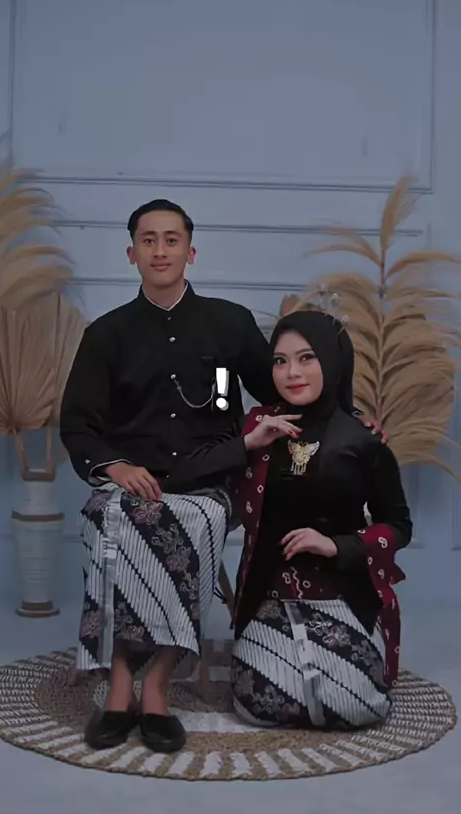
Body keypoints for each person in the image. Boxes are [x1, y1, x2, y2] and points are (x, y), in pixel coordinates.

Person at [60, 199, 385, 753]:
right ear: (131, 253)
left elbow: (281, 389)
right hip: (132, 479)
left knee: (195, 521)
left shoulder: (228, 324)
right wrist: (116, 466)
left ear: (191, 251)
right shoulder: (106, 335)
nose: (160, 250)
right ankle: (119, 686)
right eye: (148, 240)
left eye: (171, 240)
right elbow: (78, 423)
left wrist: (348, 419)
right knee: (109, 520)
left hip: (211, 477)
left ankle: (157, 685)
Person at [166, 309, 412, 729]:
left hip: (342, 594)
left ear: (333, 361)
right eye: (280, 361)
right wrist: (248, 443)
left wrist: (337, 545)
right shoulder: (258, 425)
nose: (291, 372)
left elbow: (399, 526)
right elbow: (181, 473)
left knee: (356, 706)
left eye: (306, 358)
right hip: (269, 598)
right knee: (260, 703)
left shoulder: (362, 439)